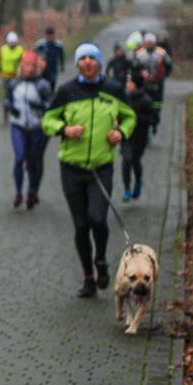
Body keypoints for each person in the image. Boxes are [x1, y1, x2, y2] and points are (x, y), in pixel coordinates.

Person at [41, 43, 136, 298]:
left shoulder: (113, 90)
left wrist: (121, 132)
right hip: (71, 168)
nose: (87, 63)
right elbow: (47, 119)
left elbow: (130, 116)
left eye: (92, 58)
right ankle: (88, 277)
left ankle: (101, 259)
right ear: (77, 64)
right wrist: (64, 130)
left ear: (98, 62)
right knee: (81, 226)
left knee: (97, 218)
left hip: (101, 167)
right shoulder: (67, 91)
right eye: (82, 58)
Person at [5, 51, 53, 209]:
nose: (30, 69)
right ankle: (18, 192)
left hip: (36, 127)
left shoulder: (42, 85)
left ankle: (32, 191)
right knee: (19, 158)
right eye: (27, 65)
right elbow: (7, 99)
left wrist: (41, 106)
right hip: (18, 126)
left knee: (33, 161)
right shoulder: (14, 84)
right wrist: (11, 108)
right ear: (21, 67)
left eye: (33, 65)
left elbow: (52, 105)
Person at [121, 70, 157, 201]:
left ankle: (137, 182)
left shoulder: (145, 100)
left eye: (130, 83)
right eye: (127, 82)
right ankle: (126, 189)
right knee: (126, 160)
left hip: (139, 137)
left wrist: (140, 120)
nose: (128, 85)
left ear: (136, 84)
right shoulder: (123, 98)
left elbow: (153, 118)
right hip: (125, 135)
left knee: (135, 160)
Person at [135, 32, 172, 134]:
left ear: (154, 43)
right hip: (145, 83)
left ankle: (155, 122)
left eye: (151, 43)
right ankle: (146, 125)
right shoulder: (140, 53)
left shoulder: (162, 52)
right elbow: (135, 67)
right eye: (148, 43)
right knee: (145, 103)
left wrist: (164, 76)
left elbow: (169, 65)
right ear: (145, 43)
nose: (150, 44)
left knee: (157, 104)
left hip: (158, 83)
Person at [0, 31, 25, 123]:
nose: (13, 44)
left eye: (14, 43)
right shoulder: (3, 49)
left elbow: (23, 61)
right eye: (11, 43)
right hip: (6, 76)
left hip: (16, 76)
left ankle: (16, 114)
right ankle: (5, 117)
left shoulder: (20, 50)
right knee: (7, 96)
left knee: (17, 95)